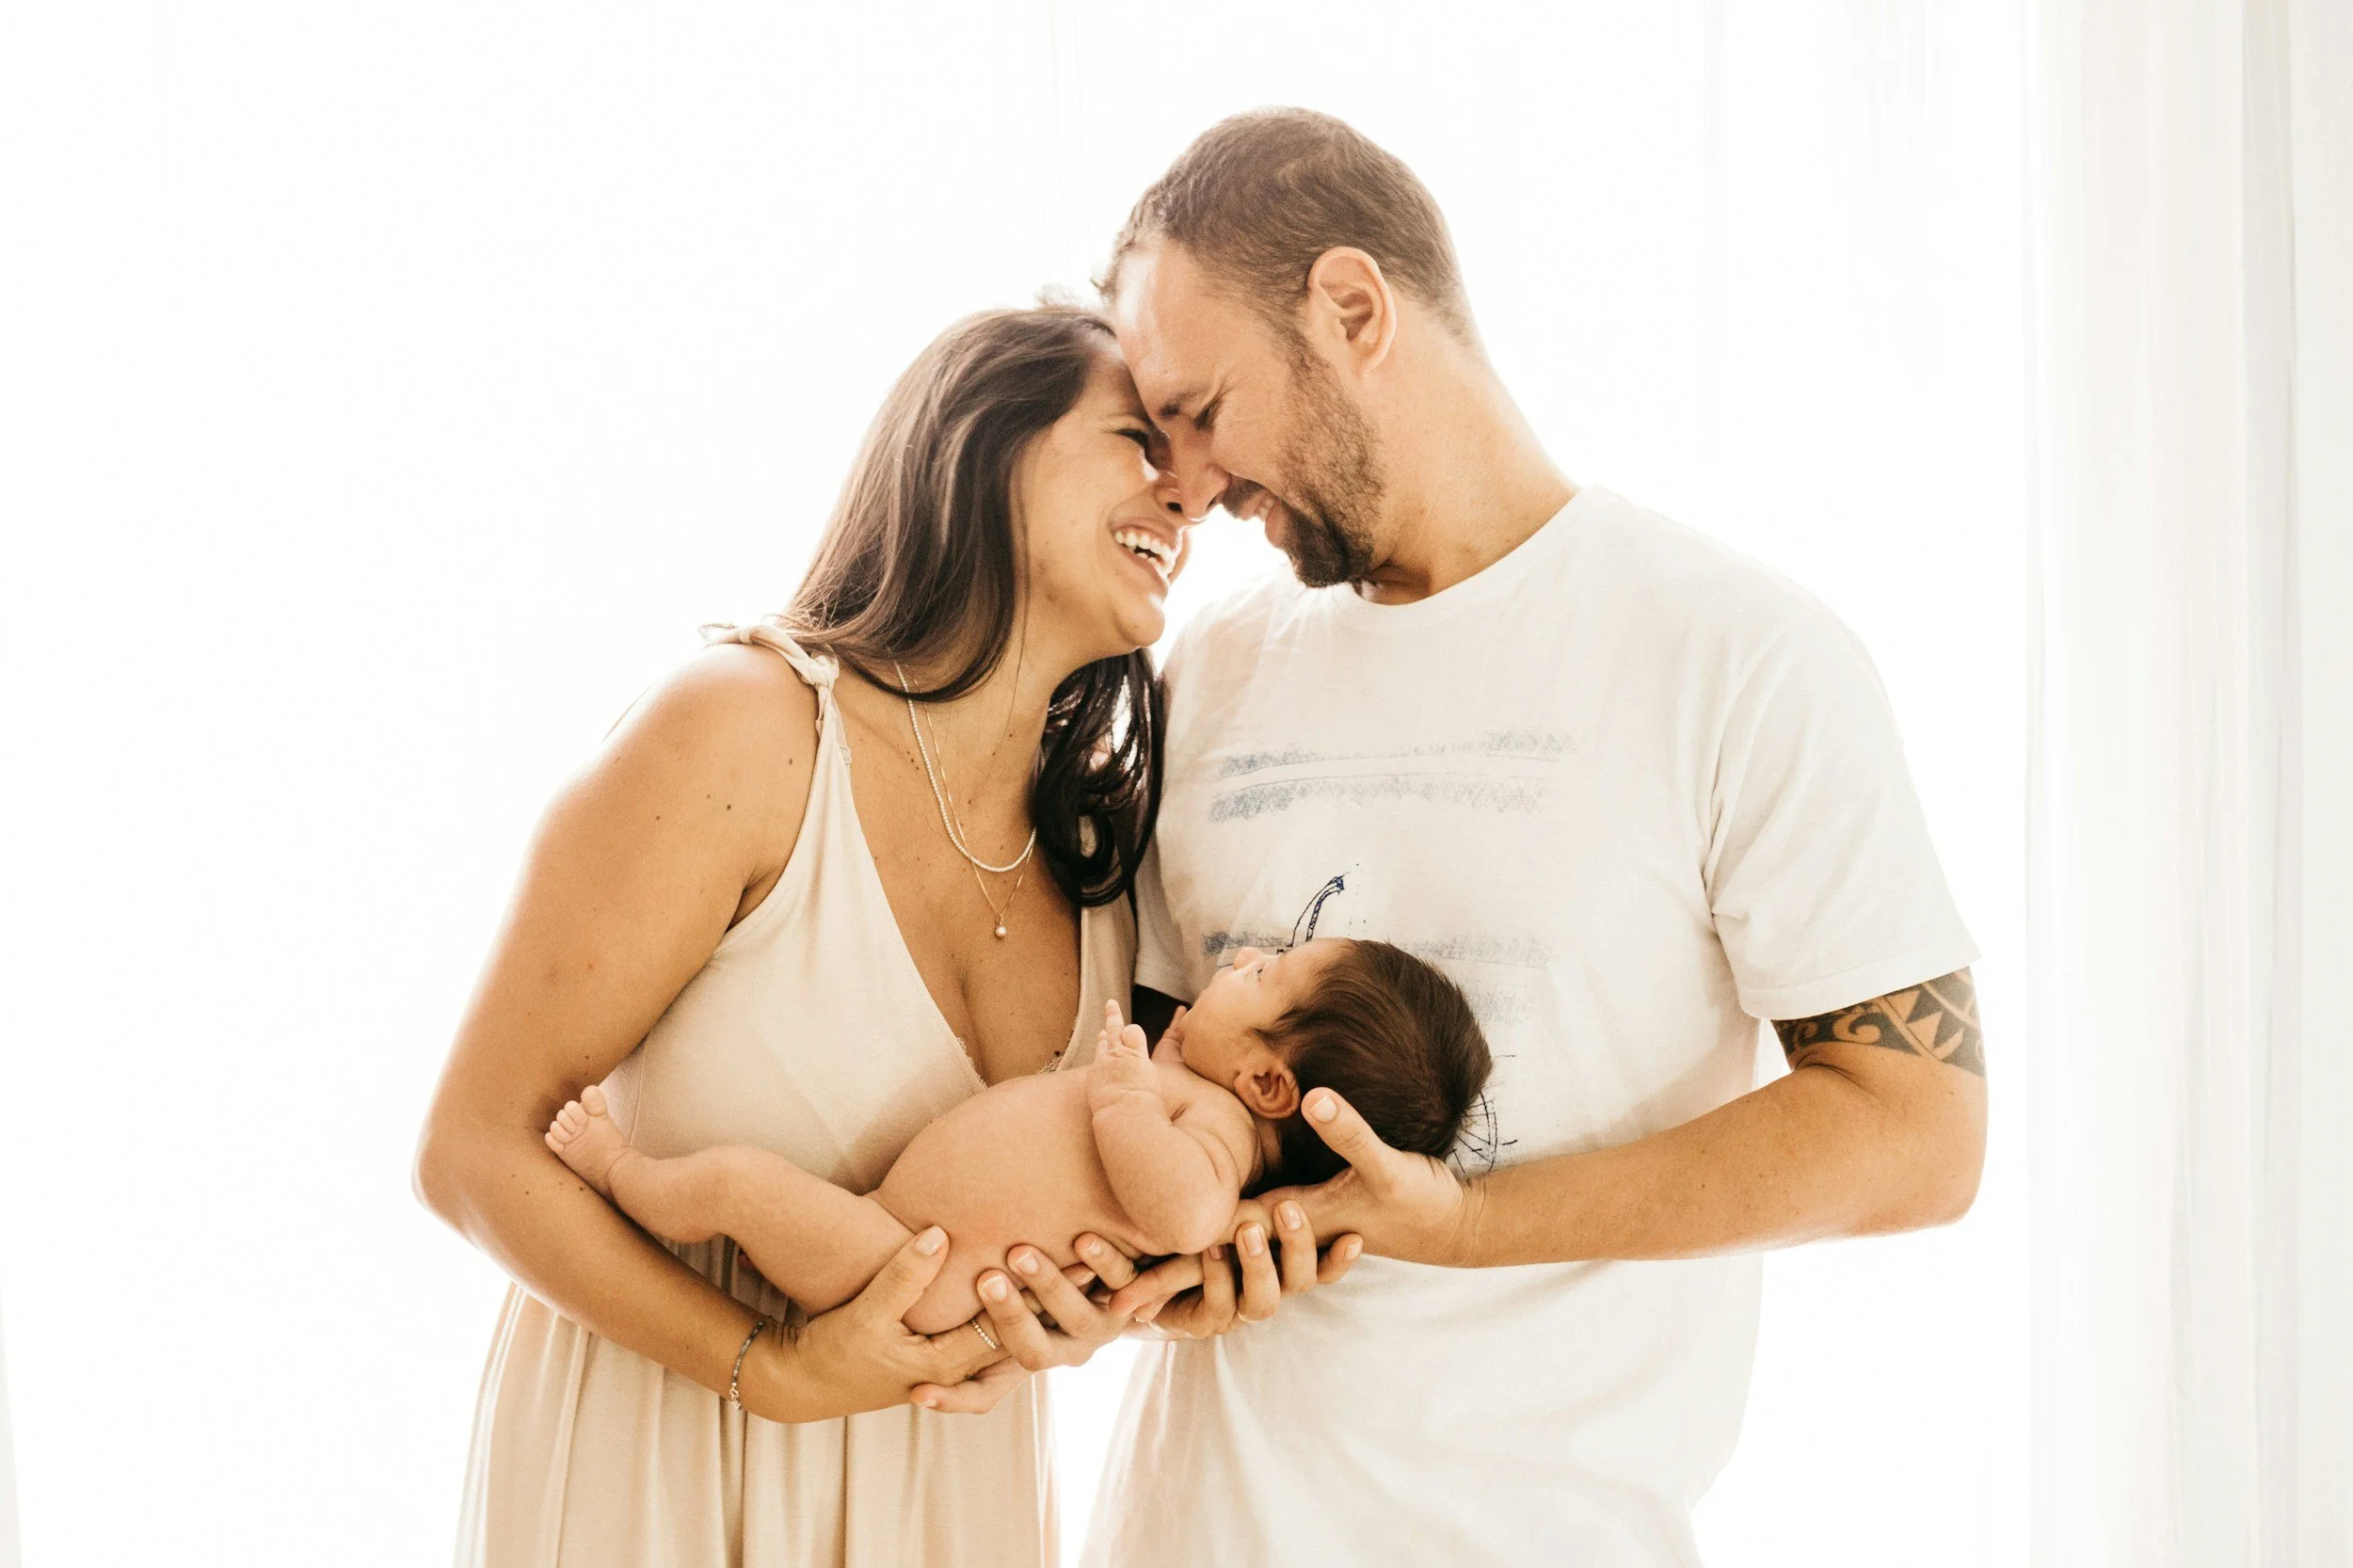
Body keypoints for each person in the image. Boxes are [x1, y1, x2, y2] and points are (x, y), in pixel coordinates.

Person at [1089, 108, 1989, 1567]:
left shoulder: (1741, 656)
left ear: (1353, 308)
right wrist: (1139, 1258)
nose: (1188, 482)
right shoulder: (1215, 668)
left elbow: (1919, 1129)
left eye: (1203, 410)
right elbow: (1131, 1070)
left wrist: (1459, 1220)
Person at [414, 304, 1206, 1567]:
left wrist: (1074, 1315)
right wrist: (766, 1369)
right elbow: (468, 1150)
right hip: (671, 1464)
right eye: (1136, 438)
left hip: (950, 1488)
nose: (1188, 496)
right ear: (982, 444)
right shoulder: (744, 733)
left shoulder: (1114, 870)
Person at [541, 942, 1490, 1335]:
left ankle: (618, 1168)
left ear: (1269, 1084)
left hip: (909, 1271)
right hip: (897, 1238)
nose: (1239, 958)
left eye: (1267, 970)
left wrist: (1122, 1092)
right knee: (752, 1187)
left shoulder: (1216, 1139)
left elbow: (1187, 1209)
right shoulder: (1200, 1090)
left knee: (740, 1186)